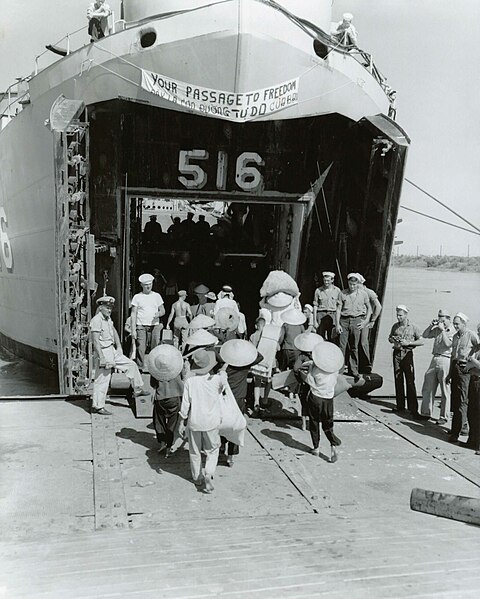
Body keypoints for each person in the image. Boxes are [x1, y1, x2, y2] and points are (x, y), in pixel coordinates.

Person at [178, 349, 228, 493]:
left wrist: (182, 421)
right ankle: (209, 473)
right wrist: (223, 370)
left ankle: (197, 477)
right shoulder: (216, 380)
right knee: (212, 450)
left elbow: (185, 404)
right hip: (211, 421)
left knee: (194, 451)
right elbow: (224, 384)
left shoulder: (190, 381)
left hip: (195, 421)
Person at [90, 296, 148, 415]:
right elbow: (95, 341)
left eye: (110, 308)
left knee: (131, 365)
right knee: (102, 380)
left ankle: (137, 389)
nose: (109, 310)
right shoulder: (97, 320)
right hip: (104, 352)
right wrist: (101, 357)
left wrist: (119, 347)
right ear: (100, 307)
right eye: (107, 308)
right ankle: (98, 406)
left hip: (112, 350)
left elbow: (114, 331)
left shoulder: (107, 318)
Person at [219, 340, 262, 466]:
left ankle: (222, 445)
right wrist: (248, 350)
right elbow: (260, 357)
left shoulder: (224, 367)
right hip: (239, 400)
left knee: (223, 423)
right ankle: (230, 456)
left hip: (225, 398)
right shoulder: (245, 367)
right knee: (236, 426)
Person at [301, 342, 344, 463]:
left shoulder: (316, 371)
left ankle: (316, 447)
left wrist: (310, 369)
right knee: (328, 423)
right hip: (328, 399)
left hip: (316, 398)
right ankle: (333, 444)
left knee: (314, 423)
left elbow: (309, 381)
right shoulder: (334, 371)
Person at [446, 313, 480, 443]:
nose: (455, 326)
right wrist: (449, 374)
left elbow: (478, 347)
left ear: (464, 324)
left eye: (457, 324)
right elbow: (452, 356)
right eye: (454, 323)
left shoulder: (471, 335)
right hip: (455, 367)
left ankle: (456, 432)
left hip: (465, 369)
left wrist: (472, 360)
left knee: (462, 400)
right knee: (456, 400)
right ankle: (460, 427)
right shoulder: (455, 337)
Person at [147, 345, 184, 456]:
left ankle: (162, 442)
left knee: (159, 421)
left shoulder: (155, 370)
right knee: (172, 423)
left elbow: (152, 384)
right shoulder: (177, 367)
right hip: (175, 397)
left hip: (161, 397)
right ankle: (169, 446)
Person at [388, 305, 424, 418]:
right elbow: (389, 338)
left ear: (406, 315)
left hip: (407, 355)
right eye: (397, 315)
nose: (398, 317)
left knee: (410, 381)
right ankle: (400, 406)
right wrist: (393, 339)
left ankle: (413, 409)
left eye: (400, 315)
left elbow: (421, 341)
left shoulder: (414, 327)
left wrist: (408, 343)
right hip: (397, 355)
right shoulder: (395, 326)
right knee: (398, 380)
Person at [420, 309, 454, 423]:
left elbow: (448, 344)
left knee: (445, 389)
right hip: (435, 358)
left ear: (449, 319)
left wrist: (443, 330)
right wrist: (431, 326)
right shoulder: (437, 330)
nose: (442, 322)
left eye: (443, 320)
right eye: (440, 319)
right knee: (428, 386)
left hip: (446, 359)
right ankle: (426, 412)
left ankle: (444, 416)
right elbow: (424, 335)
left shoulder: (452, 331)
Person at [336, 273, 372, 378]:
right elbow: (338, 309)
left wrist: (366, 321)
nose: (352, 287)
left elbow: (369, 308)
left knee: (354, 347)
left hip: (357, 321)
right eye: (350, 284)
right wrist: (337, 324)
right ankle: (340, 370)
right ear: (348, 283)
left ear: (357, 284)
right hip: (344, 321)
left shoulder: (363, 294)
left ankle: (353, 370)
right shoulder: (342, 293)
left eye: (354, 285)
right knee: (341, 346)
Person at [130, 273, 165, 372]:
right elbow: (133, 314)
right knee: (141, 347)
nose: (148, 286)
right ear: (141, 285)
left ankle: (153, 367)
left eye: (150, 284)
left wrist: (158, 314)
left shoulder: (157, 296)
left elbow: (163, 311)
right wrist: (133, 330)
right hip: (141, 325)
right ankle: (140, 368)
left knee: (155, 347)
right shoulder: (137, 297)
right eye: (146, 285)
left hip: (154, 326)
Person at [293, 332, 324, 431]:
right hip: (317, 382)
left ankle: (303, 425)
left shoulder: (302, 356)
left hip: (305, 382)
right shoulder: (319, 355)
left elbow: (295, 368)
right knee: (315, 404)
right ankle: (313, 423)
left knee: (304, 404)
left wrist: (300, 378)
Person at [357, 273, 382, 374]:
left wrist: (372, 320)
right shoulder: (355, 292)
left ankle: (367, 365)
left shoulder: (368, 292)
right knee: (354, 343)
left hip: (365, 319)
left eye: (357, 283)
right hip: (355, 319)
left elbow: (378, 307)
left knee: (363, 342)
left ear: (361, 283)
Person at [313, 271, 341, 341]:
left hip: (332, 314)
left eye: (328, 280)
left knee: (332, 337)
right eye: (325, 280)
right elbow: (315, 306)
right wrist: (314, 321)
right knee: (319, 337)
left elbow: (339, 307)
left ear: (332, 280)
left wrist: (338, 322)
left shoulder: (337, 291)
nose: (326, 282)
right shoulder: (318, 290)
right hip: (321, 314)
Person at [464, 340, 480, 455]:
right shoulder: (476, 348)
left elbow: (472, 361)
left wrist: (474, 362)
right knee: (471, 412)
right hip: (473, 380)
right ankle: (472, 440)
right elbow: (467, 363)